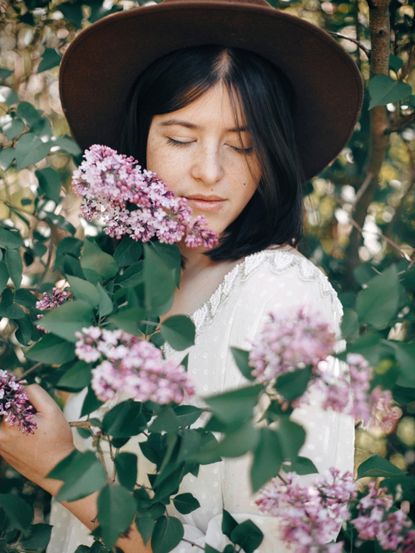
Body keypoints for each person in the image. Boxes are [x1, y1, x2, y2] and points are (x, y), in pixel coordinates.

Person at [0, 1, 364, 552]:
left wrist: (58, 469)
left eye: (242, 144)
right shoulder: (132, 285)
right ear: (137, 142)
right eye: (180, 137)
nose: (209, 171)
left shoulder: (280, 294)